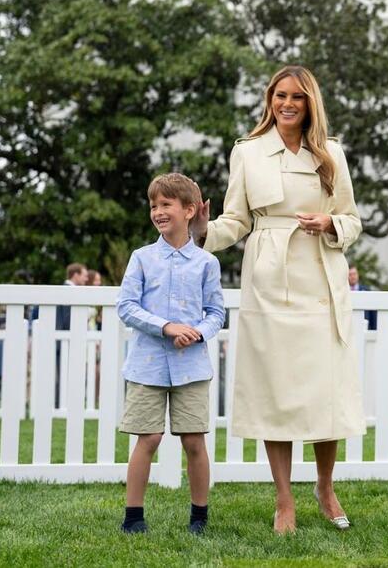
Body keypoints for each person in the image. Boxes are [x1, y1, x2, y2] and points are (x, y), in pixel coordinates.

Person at [191, 65, 364, 534]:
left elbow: (351, 218)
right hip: (270, 277)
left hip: (321, 279)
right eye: (280, 95)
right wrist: (202, 231)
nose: (287, 103)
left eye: (297, 97)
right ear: (270, 99)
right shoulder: (247, 153)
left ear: (311, 103)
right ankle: (284, 500)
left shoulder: (331, 153)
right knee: (277, 392)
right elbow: (237, 220)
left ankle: (325, 487)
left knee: (324, 392)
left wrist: (331, 225)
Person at [116, 173, 225, 535]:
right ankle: (133, 518)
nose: (158, 212)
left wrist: (196, 335)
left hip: (191, 367)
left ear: (189, 210)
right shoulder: (142, 258)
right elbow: (127, 307)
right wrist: (166, 327)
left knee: (194, 440)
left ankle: (199, 518)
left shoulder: (206, 263)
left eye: (166, 205)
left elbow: (216, 313)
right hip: (146, 366)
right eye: (153, 206)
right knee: (147, 439)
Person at [348, 266, 377, 331]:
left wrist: (373, 330)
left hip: (365, 328)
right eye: (350, 274)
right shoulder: (343, 292)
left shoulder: (367, 290)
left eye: (354, 274)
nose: (353, 277)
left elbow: (373, 312)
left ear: (358, 275)